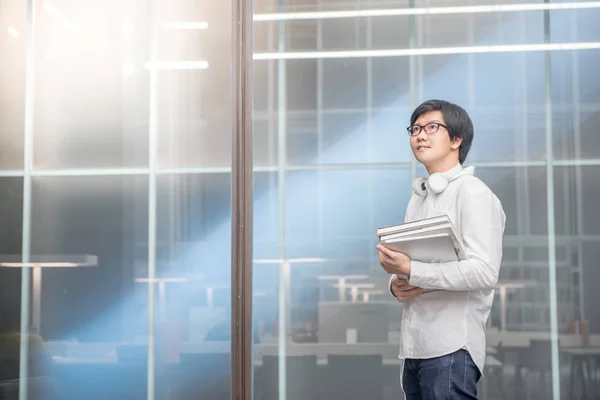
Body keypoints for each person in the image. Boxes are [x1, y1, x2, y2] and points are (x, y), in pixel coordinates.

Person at [376, 100, 506, 399]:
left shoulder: (473, 193)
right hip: (414, 348)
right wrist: (397, 284)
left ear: (456, 139)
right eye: (416, 129)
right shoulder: (419, 198)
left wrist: (412, 270)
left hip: (451, 347)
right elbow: (418, 264)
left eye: (432, 127)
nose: (420, 135)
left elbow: (484, 272)